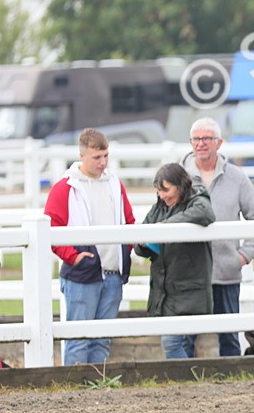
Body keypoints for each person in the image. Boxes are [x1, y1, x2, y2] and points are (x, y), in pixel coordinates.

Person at [45, 128, 136, 366]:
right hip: (83, 273)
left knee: (102, 339)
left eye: (105, 156)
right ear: (82, 155)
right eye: (97, 157)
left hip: (112, 273)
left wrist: (126, 250)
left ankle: (97, 386)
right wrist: (73, 257)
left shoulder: (115, 185)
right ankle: (74, 388)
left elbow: (129, 221)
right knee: (78, 339)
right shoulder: (65, 188)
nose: (103, 162)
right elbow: (52, 229)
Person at [181, 117, 254, 357]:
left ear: (219, 142)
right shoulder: (179, 175)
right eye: (196, 139)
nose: (200, 144)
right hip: (190, 273)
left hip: (226, 271)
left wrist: (243, 256)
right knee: (186, 334)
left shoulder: (237, 177)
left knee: (229, 334)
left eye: (206, 138)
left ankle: (231, 379)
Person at [136, 163, 216, 359]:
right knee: (177, 342)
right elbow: (141, 238)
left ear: (180, 185)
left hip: (187, 288)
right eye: (159, 190)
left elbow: (205, 213)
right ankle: (187, 380)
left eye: (166, 189)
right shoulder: (159, 208)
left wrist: (164, 227)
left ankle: (184, 379)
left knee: (171, 342)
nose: (162, 195)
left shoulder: (197, 200)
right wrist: (145, 244)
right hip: (167, 290)